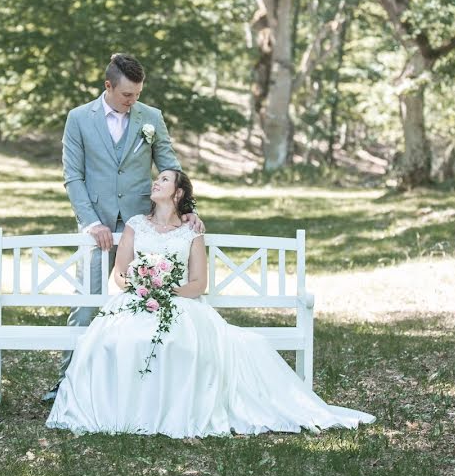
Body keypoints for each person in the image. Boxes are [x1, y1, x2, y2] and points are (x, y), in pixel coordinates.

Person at [46, 170, 375, 437]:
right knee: (117, 341)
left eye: (163, 180)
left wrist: (166, 294)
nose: (155, 182)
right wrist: (143, 287)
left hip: (178, 302)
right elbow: (119, 275)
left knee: (181, 343)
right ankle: (122, 412)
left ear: (176, 194)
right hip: (136, 299)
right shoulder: (134, 224)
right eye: (156, 179)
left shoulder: (191, 233)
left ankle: (173, 411)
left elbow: (198, 284)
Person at [48, 53, 202, 401]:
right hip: (96, 226)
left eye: (137, 94)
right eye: (126, 95)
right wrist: (91, 222)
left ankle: (139, 388)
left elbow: (170, 166)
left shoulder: (151, 118)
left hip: (143, 225)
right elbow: (73, 176)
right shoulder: (78, 119)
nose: (133, 101)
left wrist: (187, 208)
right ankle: (66, 383)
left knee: (145, 303)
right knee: (87, 304)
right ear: (108, 86)